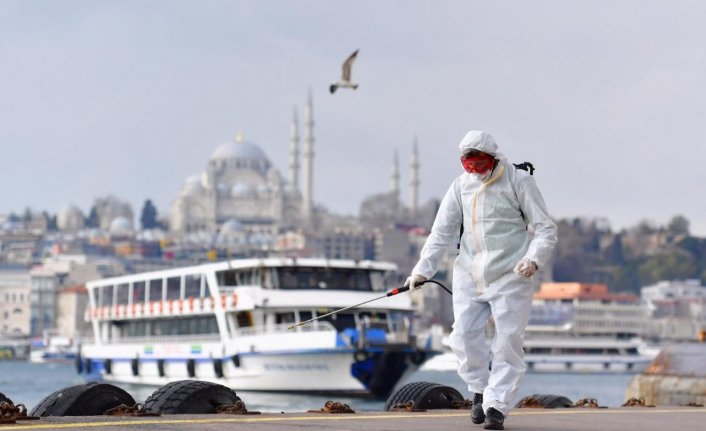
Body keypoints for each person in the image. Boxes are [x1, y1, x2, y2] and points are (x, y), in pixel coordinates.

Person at [405, 130, 557, 430]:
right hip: (469, 273)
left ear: (492, 157)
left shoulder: (518, 181)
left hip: (512, 275)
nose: (472, 169)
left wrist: (534, 259)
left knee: (508, 343)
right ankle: (479, 389)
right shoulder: (460, 187)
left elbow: (546, 228)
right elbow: (441, 233)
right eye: (467, 163)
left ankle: (496, 407)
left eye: (477, 162)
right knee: (462, 336)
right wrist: (423, 270)